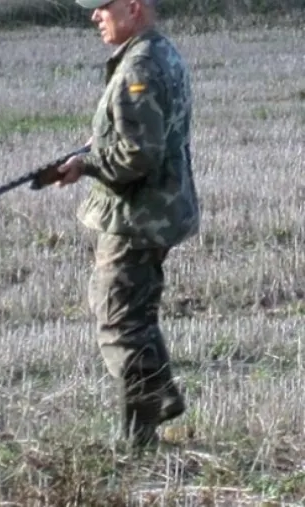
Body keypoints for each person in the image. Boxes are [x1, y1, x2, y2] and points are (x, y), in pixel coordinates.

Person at [54, 0, 201, 448]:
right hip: (157, 210)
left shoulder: (138, 66)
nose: (94, 16)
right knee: (132, 313)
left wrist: (88, 165)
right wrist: (91, 147)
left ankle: (144, 426)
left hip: (137, 216)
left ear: (133, 7)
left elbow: (137, 155)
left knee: (119, 321)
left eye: (103, 7)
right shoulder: (160, 51)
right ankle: (155, 408)